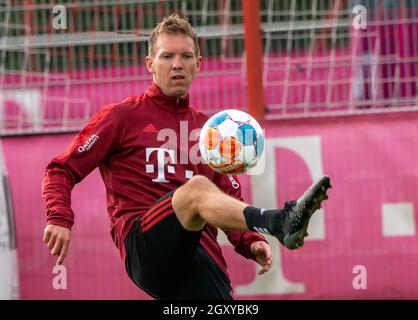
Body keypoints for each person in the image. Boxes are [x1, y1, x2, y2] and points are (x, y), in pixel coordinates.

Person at [42, 14, 331, 300]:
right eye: (167, 56)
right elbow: (59, 170)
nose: (177, 64)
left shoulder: (212, 132)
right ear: (150, 64)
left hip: (201, 255)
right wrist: (59, 217)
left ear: (199, 64)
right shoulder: (121, 117)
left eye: (186, 56)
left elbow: (228, 197)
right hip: (144, 245)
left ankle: (270, 226)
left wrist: (250, 241)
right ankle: (279, 221)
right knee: (196, 191)